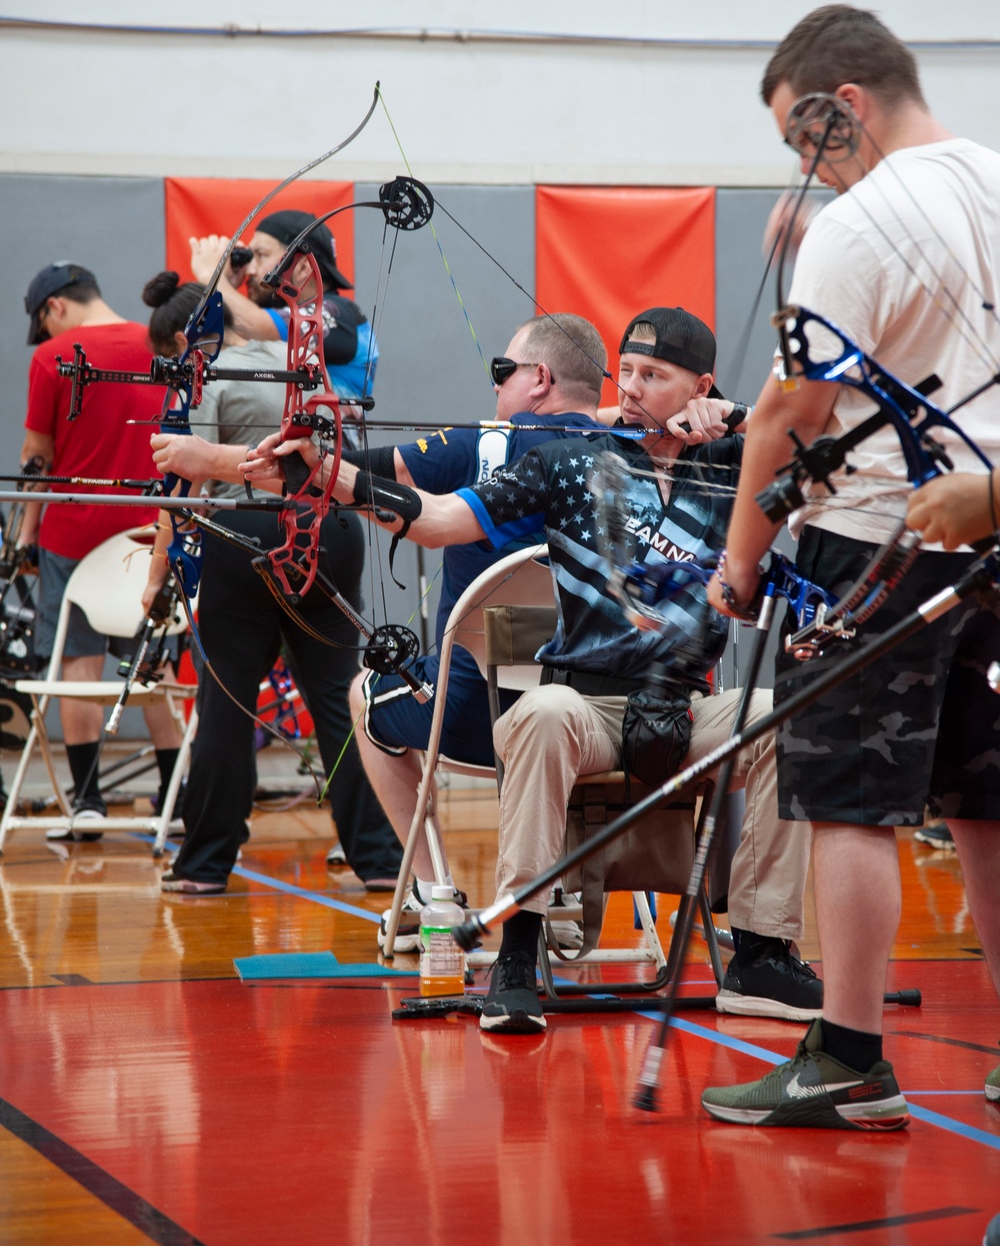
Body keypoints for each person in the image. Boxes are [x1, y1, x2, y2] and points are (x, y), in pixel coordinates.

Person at [243, 306, 818, 1035]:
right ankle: (518, 949)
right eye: (629, 372)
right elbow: (439, 517)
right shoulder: (568, 460)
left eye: (657, 376)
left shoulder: (738, 464)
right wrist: (329, 472)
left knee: (780, 713)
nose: (635, 389)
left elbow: (833, 469)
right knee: (540, 715)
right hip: (586, 707)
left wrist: (741, 419)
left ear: (699, 386)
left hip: (685, 706)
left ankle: (763, 954)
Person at [701, 4, 1000, 1130]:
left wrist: (741, 562)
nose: (805, 167)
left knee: (850, 806)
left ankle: (847, 1058)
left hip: (875, 542)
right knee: (987, 799)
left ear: (848, 105)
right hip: (992, 537)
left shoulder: (858, 218)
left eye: (802, 139)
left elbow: (792, 406)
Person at [341, 313, 609, 950]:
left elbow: (353, 472)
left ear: (539, 379)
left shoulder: (483, 447)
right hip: (598, 724)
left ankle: (433, 892)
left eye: (503, 371)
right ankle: (560, 888)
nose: (495, 388)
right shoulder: (637, 457)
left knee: (363, 695)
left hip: (469, 723)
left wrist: (216, 461)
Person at [140, 272, 402, 893]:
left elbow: (185, 479)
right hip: (332, 531)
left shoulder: (207, 373)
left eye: (174, 355)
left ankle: (204, 866)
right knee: (344, 702)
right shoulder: (309, 364)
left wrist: (156, 576)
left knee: (227, 703)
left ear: (190, 337)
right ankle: (382, 860)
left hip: (249, 535)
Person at [19, 262, 183, 837]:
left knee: (77, 665)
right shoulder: (161, 343)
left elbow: (37, 459)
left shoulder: (53, 355)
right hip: (147, 539)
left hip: (73, 537)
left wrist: (24, 538)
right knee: (151, 669)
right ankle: (174, 798)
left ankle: (87, 802)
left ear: (55, 307)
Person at [189, 210, 376, 447]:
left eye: (261, 255)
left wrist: (211, 276)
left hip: (332, 472)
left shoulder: (341, 315)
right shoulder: (279, 316)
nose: (250, 270)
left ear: (301, 267)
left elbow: (256, 326)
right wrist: (227, 289)